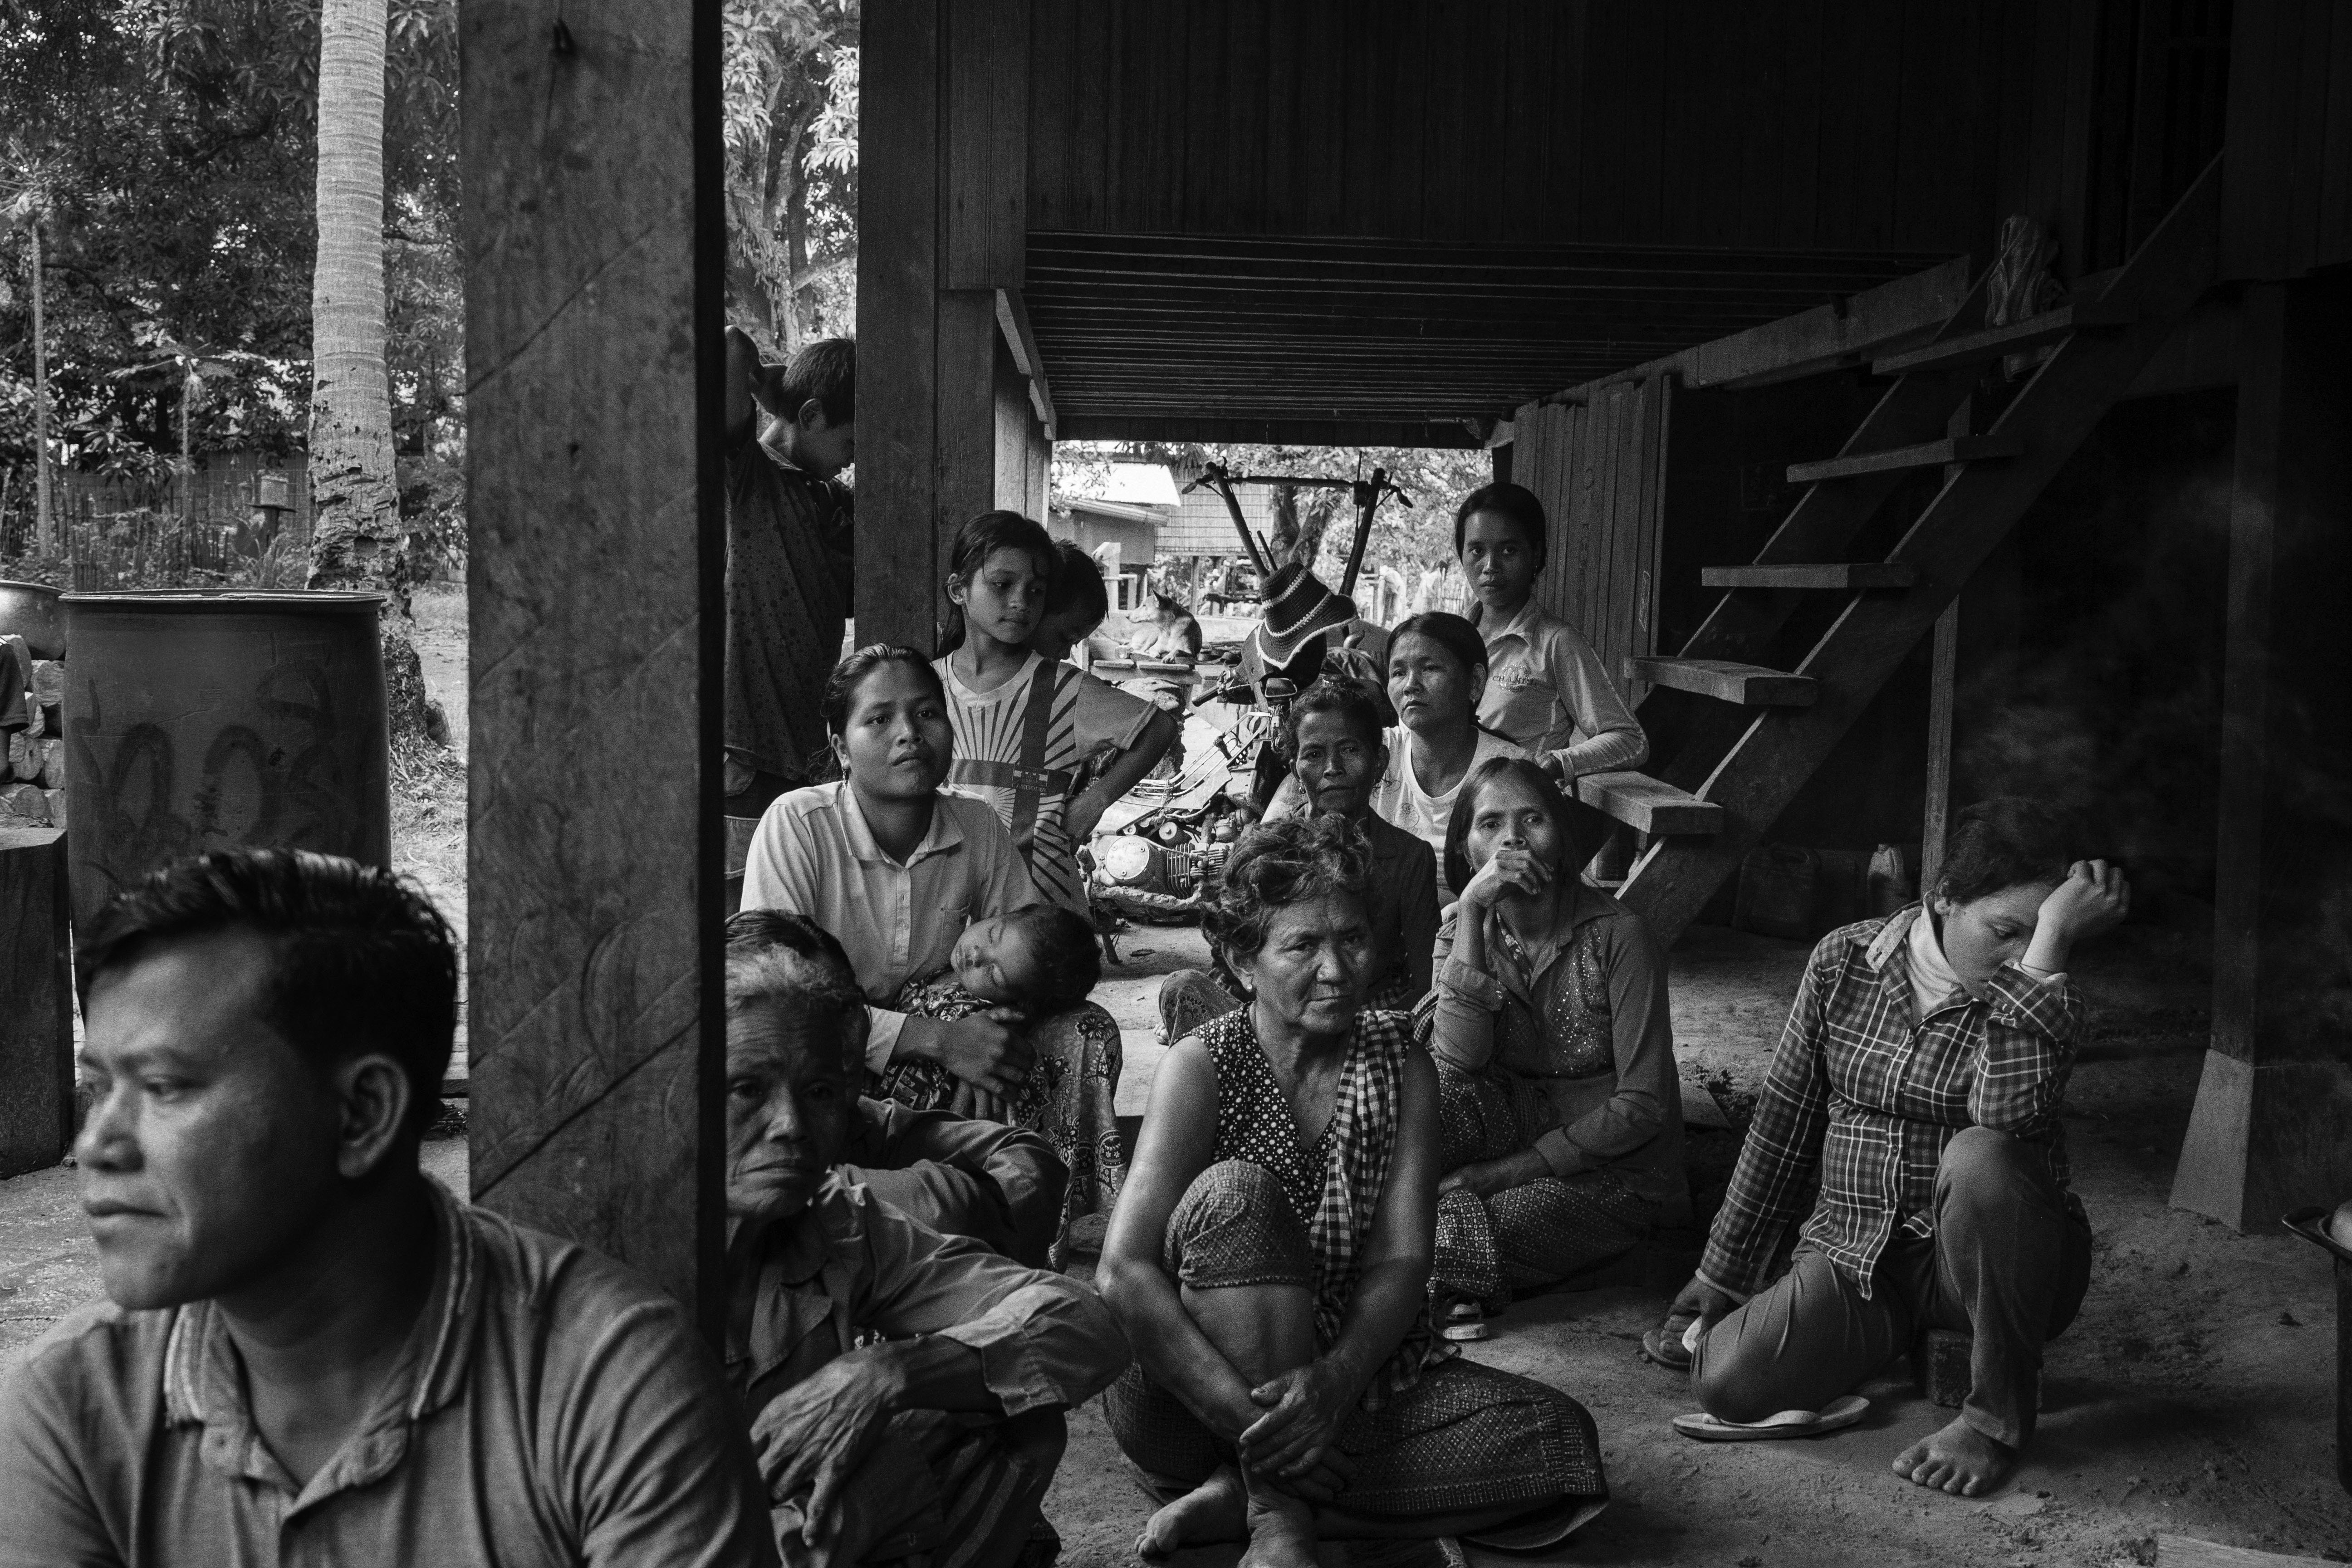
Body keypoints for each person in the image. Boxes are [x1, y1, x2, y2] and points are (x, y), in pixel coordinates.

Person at [0, 849, 775, 1565]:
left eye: (164, 1087)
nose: (97, 1145)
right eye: (99, 1087)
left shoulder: (611, 1391)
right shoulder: (74, 1407)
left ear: (364, 1114)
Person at [1100, 817, 1609, 1565]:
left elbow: (1402, 1262)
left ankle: (1247, 1496)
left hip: (1333, 1393)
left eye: (1351, 939)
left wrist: (1333, 1386)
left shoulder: (1400, 1066)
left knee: (1558, 1445)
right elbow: (1122, 1274)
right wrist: (1256, 1429)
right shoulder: (1201, 1065)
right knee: (1237, 1196)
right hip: (1185, 1399)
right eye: (1302, 946)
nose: (1336, 969)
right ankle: (1279, 1513)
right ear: (1242, 961)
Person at [1660, 798, 2130, 1498]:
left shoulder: (2043, 995)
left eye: (2043, 934)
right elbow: (1783, 1123)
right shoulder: (1842, 962)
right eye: (2006, 931)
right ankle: (1895, 1339)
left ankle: (1996, 1423)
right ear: (1943, 897)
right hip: (1859, 1256)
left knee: (1983, 1156)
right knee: (1726, 1385)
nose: (2019, 956)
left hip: (1991, 1264)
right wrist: (1722, 1273)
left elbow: (2006, 1116)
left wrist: (2046, 948)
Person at [720, 908, 1130, 1568]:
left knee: (1011, 1414)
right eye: (746, 1088)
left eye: (821, 1089)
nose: (791, 1123)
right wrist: (866, 1506)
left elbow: (1086, 1324)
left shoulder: (835, 1221)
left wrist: (885, 1375)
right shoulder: (614, 1256)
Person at [742, 645, 1126, 1255]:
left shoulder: (976, 825)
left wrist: (991, 1038)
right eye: (879, 719)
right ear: (841, 747)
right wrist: (941, 1041)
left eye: (927, 714)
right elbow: (775, 1002)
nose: (909, 735)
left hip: (944, 1041)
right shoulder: (798, 825)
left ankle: (1044, 1230)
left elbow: (1031, 949)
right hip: (831, 1056)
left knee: (1082, 1029)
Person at [1425, 758, 1687, 1343]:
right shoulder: (1459, 932)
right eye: (1490, 824)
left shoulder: (1621, 936)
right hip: (1512, 1127)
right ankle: (1439, 1249)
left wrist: (1504, 1173)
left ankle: (1438, 1257)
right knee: (1424, 1101)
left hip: (1613, 1169)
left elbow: (1645, 1104)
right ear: (1466, 850)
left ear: (1562, 838)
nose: (1513, 840)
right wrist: (1472, 910)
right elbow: (1457, 1063)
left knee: (1486, 1222)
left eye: (1533, 820)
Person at [1159, 679, 1442, 1043]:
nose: (1333, 768)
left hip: (1361, 1023)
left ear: (1379, 762)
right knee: (1183, 987)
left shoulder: (1408, 857)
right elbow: (1231, 964)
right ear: (1295, 770)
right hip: (1274, 1020)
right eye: (1314, 755)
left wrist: (1364, 1030)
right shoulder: (1266, 850)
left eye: (1350, 750)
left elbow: (1426, 981)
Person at [936, 513, 1177, 914]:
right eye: (1002, 585)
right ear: (959, 590)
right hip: (952, 907)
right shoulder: (927, 686)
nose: (1020, 602)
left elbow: (1160, 727)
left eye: (1035, 591)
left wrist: (1095, 801)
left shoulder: (1067, 690)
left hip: (1044, 910)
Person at [724, 327, 857, 885]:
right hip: (747, 756)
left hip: (807, 756)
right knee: (742, 914)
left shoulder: (834, 502)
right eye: (849, 444)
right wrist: (775, 393)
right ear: (811, 415)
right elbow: (730, 346)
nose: (852, 461)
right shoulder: (746, 473)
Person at [1454, 483, 1645, 782]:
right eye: (1477, 550)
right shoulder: (1451, 640)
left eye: (1509, 550)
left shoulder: (1556, 643)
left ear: (1536, 555)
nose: (1490, 566)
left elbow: (1630, 740)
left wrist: (1558, 762)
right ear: (1462, 555)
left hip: (1514, 805)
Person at [1375, 612, 1527, 897]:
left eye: (1430, 668)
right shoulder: (1375, 753)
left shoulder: (1511, 772)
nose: (1410, 685)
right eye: (1398, 673)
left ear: (1475, 682)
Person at [1132, 591, 1204, 663]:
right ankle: (1142, 650)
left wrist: (1175, 654)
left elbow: (1190, 654)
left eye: (1144, 606)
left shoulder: (1186, 624)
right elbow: (1155, 648)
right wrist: (1153, 651)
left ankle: (1143, 650)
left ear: (1159, 603)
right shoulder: (1164, 628)